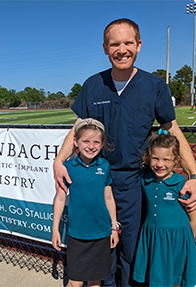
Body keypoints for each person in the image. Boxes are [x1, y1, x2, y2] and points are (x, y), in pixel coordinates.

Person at [53, 18, 196, 287]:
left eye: (128, 43)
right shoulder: (93, 85)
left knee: (131, 249)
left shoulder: (154, 86)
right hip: (98, 180)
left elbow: (173, 130)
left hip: (133, 183)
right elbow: (78, 129)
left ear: (139, 45)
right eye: (115, 44)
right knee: (102, 249)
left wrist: (195, 175)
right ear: (105, 48)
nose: (122, 49)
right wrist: (59, 161)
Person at [52, 118, 119, 287]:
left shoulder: (104, 166)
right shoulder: (68, 167)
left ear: (102, 144)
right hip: (78, 235)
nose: (91, 146)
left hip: (101, 234)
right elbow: (60, 199)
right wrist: (55, 229)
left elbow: (109, 198)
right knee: (75, 282)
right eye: (86, 141)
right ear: (76, 142)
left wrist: (114, 227)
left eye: (96, 142)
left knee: (95, 281)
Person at [133, 129, 196, 286]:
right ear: (149, 158)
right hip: (153, 238)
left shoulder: (182, 184)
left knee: (175, 279)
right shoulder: (145, 181)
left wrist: (187, 242)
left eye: (166, 160)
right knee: (156, 279)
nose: (160, 164)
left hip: (177, 241)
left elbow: (193, 216)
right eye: (155, 158)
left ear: (176, 161)